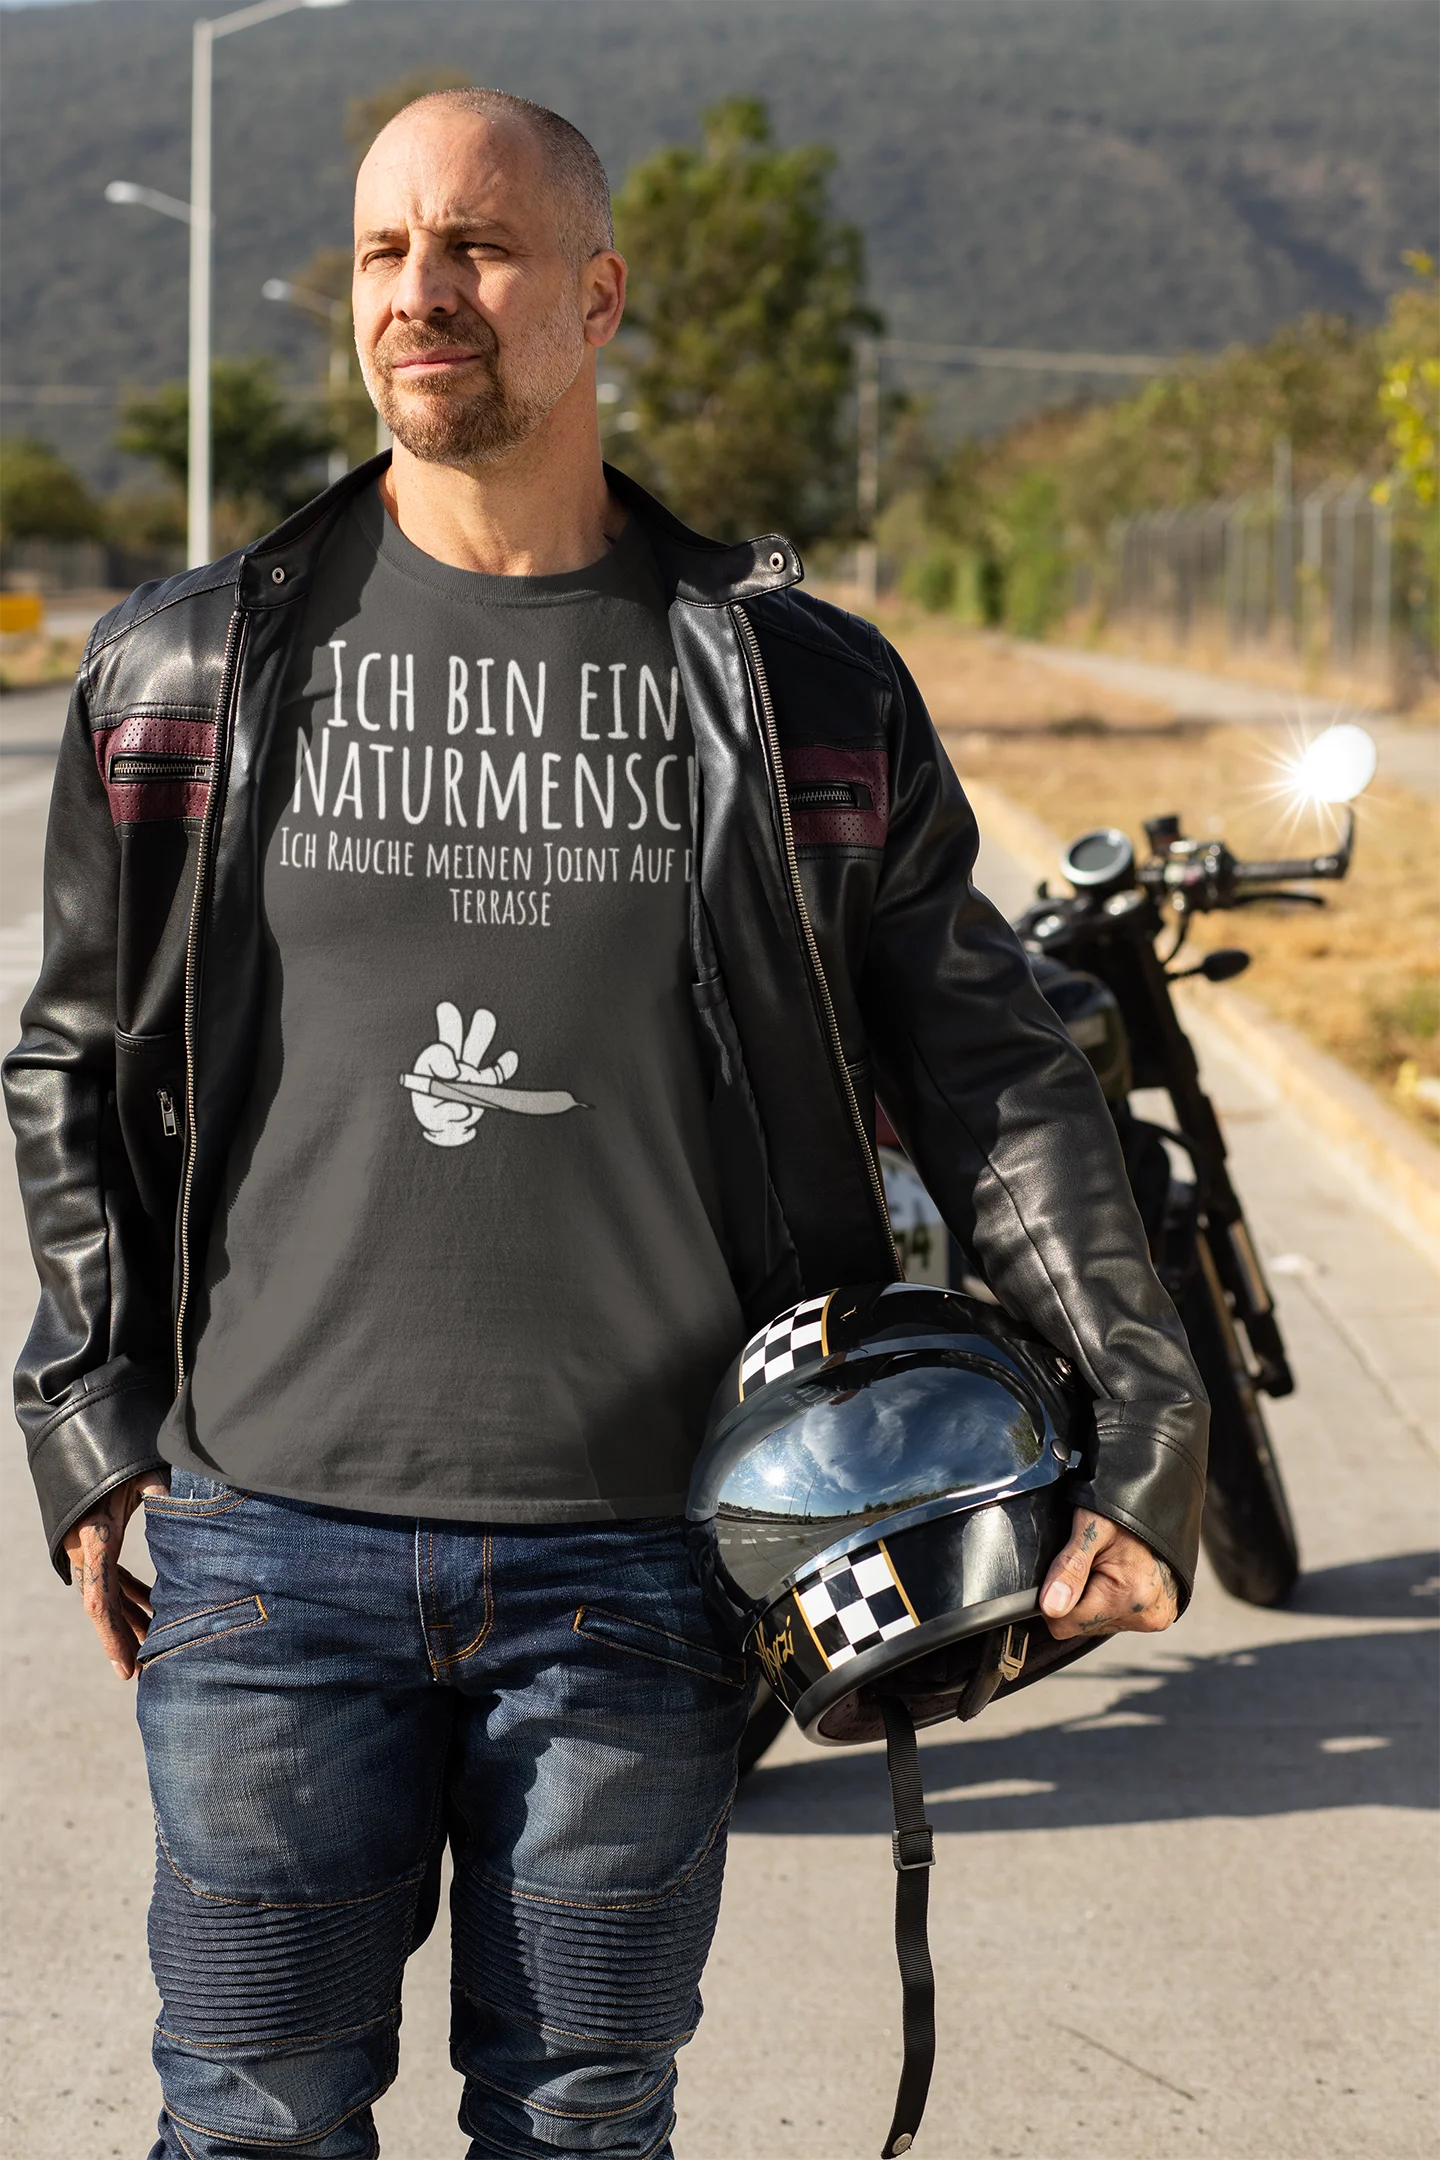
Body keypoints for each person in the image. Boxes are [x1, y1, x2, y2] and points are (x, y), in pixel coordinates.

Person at [4, 87, 1207, 2160]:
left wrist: (1147, 1429)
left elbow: (996, 1075)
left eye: (475, 246)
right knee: (253, 2117)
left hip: (651, 1557)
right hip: (268, 1548)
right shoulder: (189, 668)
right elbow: (73, 1063)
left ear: (599, 295)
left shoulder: (801, 691)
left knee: (582, 2118)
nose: (419, 292)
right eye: (382, 251)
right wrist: (91, 1428)